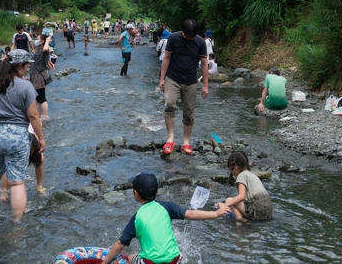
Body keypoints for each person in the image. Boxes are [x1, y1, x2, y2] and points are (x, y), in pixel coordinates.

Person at [100, 172, 229, 264]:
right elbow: (191, 214)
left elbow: (119, 245)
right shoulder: (166, 207)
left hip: (150, 263)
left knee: (129, 258)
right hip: (176, 260)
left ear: (135, 193)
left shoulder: (137, 217)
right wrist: (216, 214)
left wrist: (104, 262)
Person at [0, 49, 44, 222]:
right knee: (17, 182)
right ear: (19, 66)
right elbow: (33, 115)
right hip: (16, 136)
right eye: (26, 66)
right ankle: (17, 223)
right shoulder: (25, 86)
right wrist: (41, 137)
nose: (27, 69)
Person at [158, 19, 208, 156]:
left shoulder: (200, 42)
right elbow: (166, 58)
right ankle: (170, 139)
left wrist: (205, 85)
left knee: (189, 111)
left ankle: (186, 141)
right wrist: (162, 79)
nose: (191, 39)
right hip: (172, 78)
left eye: (193, 36)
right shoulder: (173, 38)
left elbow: (204, 64)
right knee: (169, 104)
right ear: (183, 32)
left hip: (191, 81)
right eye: (188, 36)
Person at [218, 151, 274, 222]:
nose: (231, 173)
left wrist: (224, 205)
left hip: (257, 212)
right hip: (269, 211)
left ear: (235, 167)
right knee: (235, 201)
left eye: (230, 169)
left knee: (229, 200)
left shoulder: (241, 176)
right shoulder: (252, 175)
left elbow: (241, 196)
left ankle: (241, 221)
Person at [29, 31, 54, 120]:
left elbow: (46, 49)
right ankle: (40, 116)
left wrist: (47, 40)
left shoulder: (44, 49)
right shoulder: (39, 50)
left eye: (38, 39)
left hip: (39, 75)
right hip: (36, 75)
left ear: (42, 41)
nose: (36, 40)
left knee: (42, 97)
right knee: (38, 98)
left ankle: (45, 117)